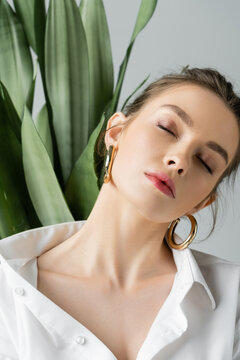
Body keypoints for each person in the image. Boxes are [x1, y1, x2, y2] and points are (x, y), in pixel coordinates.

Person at [0, 66, 239, 360]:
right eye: (167, 128)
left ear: (202, 202)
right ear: (115, 132)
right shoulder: (7, 286)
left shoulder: (233, 301)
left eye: (205, 161)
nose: (179, 160)